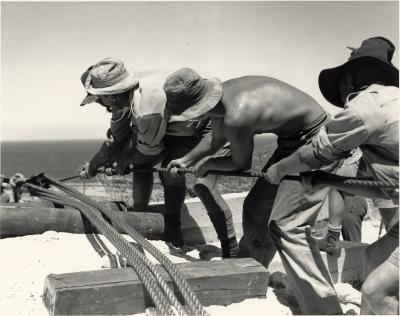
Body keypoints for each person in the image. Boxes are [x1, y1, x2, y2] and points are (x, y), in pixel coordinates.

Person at [165, 68, 345, 314]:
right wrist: (186, 160)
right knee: (256, 206)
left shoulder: (237, 114)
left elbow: (240, 164)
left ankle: (323, 306)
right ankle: (248, 272)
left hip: (319, 141)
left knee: (286, 226)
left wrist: (206, 166)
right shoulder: (223, 97)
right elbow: (216, 140)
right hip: (294, 141)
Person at [265, 37, 399, 314]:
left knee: (376, 292)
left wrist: (277, 170)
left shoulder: (367, 106)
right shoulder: (393, 103)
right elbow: (390, 188)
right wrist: (329, 181)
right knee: (374, 256)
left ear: (349, 80)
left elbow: (314, 154)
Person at [79, 58, 239, 257]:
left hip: (199, 126)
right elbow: (116, 139)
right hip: (169, 124)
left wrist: (123, 161)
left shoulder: (146, 108)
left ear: (110, 97)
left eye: (98, 99)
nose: (100, 106)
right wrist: (94, 165)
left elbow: (149, 150)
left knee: (171, 172)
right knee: (140, 163)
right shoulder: (127, 93)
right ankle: (141, 218)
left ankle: (173, 227)